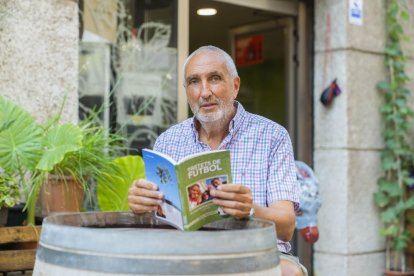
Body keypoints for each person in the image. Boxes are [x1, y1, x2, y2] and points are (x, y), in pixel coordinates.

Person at [128, 45, 307, 276]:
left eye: (214, 78)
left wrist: (249, 210)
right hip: (187, 253)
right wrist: (142, 205)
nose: (204, 92)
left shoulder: (273, 136)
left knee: (290, 273)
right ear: (186, 90)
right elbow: (157, 222)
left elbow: (286, 227)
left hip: (254, 252)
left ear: (235, 86)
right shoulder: (168, 140)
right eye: (194, 81)